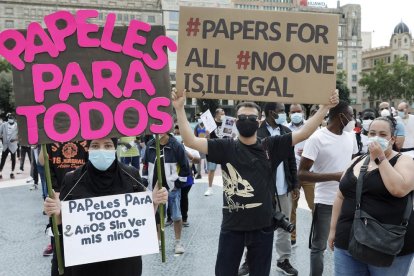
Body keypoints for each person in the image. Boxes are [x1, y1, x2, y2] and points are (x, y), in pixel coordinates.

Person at [172, 88, 339, 276]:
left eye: (252, 118)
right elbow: (190, 140)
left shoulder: (271, 146)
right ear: (235, 122)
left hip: (263, 228)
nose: (247, 121)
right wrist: (179, 108)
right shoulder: (225, 147)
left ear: (259, 121)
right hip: (232, 227)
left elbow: (304, 133)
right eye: (242, 118)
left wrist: (325, 107)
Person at [44, 137, 168, 276]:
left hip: (124, 265)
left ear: (115, 148)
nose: (102, 150)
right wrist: (56, 212)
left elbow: (144, 220)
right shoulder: (72, 179)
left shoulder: (131, 175)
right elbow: (62, 226)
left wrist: (155, 202)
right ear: (88, 149)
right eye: (95, 146)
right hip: (85, 267)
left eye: (108, 146)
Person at [328, 116, 414, 275]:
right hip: (347, 240)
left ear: (392, 139)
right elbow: (340, 196)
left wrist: (380, 158)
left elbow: (398, 189)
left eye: (382, 135)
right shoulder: (357, 160)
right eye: (372, 133)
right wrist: (333, 230)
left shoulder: (404, 161)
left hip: (386, 245)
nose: (376, 138)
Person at [298, 100, 359, 276]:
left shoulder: (351, 137)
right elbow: (302, 173)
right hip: (325, 202)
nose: (353, 119)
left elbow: (353, 163)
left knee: (350, 243)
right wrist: (334, 176)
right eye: (351, 115)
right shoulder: (317, 138)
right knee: (319, 247)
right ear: (341, 116)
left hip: (349, 201)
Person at [239, 102, 299, 276]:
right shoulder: (257, 131)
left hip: (284, 187)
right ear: (272, 113)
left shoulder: (287, 132)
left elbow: (291, 161)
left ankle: (283, 260)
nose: (284, 114)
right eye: (281, 111)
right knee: (253, 224)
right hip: (261, 188)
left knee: (284, 224)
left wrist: (294, 183)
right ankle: (248, 261)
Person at [142, 133, 190, 254]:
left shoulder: (176, 146)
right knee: (157, 216)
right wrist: (145, 181)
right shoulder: (150, 145)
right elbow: (146, 165)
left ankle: (178, 242)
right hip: (154, 188)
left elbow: (185, 166)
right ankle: (158, 241)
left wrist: (177, 184)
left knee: (176, 215)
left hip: (172, 188)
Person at [39, 141, 89, 259]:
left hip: (82, 186)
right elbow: (43, 162)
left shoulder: (85, 131)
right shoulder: (50, 134)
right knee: (56, 219)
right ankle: (54, 244)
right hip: (58, 187)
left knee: (82, 222)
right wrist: (55, 189)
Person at [288, 104, 315, 248]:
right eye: (293, 112)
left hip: (310, 173)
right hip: (293, 174)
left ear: (303, 112)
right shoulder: (285, 129)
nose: (296, 114)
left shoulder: (312, 127)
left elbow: (321, 147)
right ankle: (292, 238)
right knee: (291, 208)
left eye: (298, 111)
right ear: (289, 113)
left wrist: (309, 151)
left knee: (315, 206)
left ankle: (316, 237)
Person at [205, 108, 225, 196]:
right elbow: (207, 138)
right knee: (211, 169)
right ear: (217, 114)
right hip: (213, 148)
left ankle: (226, 188)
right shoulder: (211, 123)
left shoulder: (226, 122)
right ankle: (210, 188)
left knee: (225, 170)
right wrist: (207, 134)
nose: (223, 115)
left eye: (224, 113)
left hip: (225, 148)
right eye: (221, 113)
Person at [0, 113, 18, 179]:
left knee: (13, 159)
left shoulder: (17, 126)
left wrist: (15, 139)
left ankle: (12, 172)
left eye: (11, 118)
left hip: (13, 145)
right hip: (5, 145)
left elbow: (21, 136)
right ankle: (0, 172)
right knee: (3, 159)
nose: (10, 119)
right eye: (9, 118)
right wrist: (2, 138)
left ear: (14, 119)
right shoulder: (4, 125)